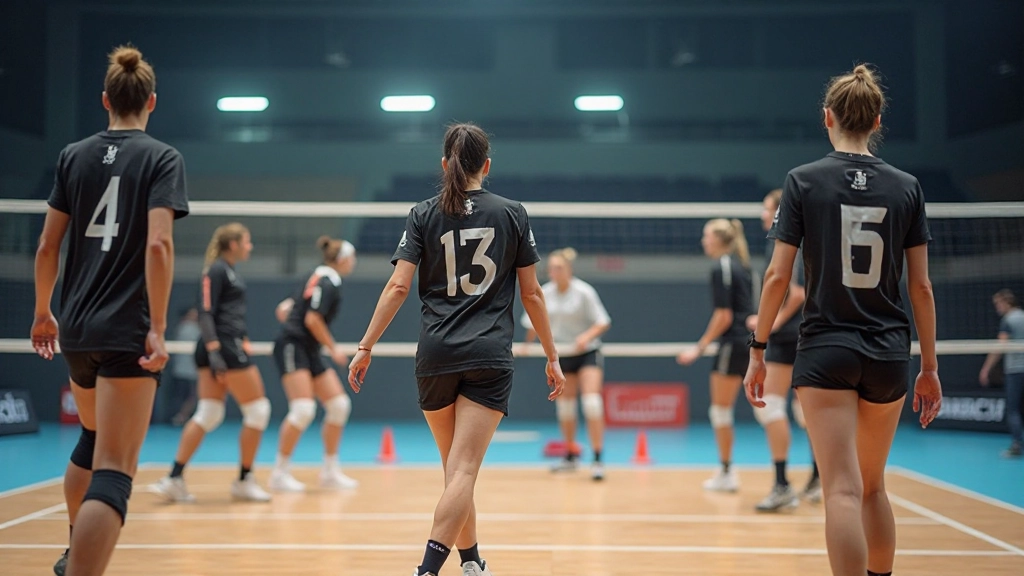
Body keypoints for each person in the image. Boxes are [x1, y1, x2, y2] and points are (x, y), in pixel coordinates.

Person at [744, 64, 942, 576]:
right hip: (889, 351)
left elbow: (776, 277)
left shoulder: (803, 181)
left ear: (826, 117)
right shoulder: (907, 187)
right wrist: (931, 367)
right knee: (874, 487)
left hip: (826, 350)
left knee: (842, 490)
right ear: (877, 120)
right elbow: (920, 287)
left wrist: (758, 350)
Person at [347, 123, 565, 576]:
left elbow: (397, 286)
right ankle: (427, 569)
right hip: (487, 355)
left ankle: (471, 561)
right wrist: (552, 355)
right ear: (486, 165)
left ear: (445, 165)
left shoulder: (423, 213)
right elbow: (532, 295)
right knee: (462, 472)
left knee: (455, 471)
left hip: (435, 355)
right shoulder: (512, 212)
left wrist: (365, 345)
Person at [32, 45, 188, 576]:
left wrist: (41, 312)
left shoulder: (73, 155)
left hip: (75, 326)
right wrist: (160, 330)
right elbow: (159, 246)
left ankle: (74, 547)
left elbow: (47, 246)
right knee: (116, 468)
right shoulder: (161, 157)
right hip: (127, 329)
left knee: (93, 438)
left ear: (106, 100)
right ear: (151, 101)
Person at [151, 224, 272, 503]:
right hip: (222, 346)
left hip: (227, 343)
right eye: (247, 241)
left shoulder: (229, 271)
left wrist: (243, 337)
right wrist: (216, 350)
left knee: (209, 413)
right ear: (233, 244)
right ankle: (244, 480)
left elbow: (230, 313)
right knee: (258, 410)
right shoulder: (215, 270)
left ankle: (174, 478)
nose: (250, 246)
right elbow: (205, 312)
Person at [747, 189, 820, 512]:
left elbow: (795, 293)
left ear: (780, 213)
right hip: (810, 334)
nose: (763, 216)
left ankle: (782, 485)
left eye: (767, 210)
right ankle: (819, 479)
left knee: (768, 406)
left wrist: (770, 324)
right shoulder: (811, 240)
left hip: (789, 337)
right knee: (806, 413)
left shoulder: (782, 242)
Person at [268, 237, 359, 492]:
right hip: (293, 345)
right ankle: (279, 473)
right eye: (351, 259)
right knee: (303, 409)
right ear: (342, 260)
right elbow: (312, 319)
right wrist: (334, 349)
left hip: (307, 348)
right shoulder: (329, 282)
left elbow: (283, 309)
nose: (353, 263)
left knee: (338, 405)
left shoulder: (315, 275)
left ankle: (330, 471)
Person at [677, 218, 754, 493]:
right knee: (767, 407)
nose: (703, 241)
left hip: (732, 344)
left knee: (720, 411)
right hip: (747, 343)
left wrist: (697, 348)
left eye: (706, 236)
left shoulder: (721, 266)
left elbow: (724, 316)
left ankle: (726, 471)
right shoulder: (742, 266)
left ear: (719, 240)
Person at [522, 247, 611, 480]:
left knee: (592, 403)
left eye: (559, 268)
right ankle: (570, 456)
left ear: (569, 269)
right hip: (562, 355)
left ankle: (598, 459)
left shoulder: (584, 292)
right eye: (551, 268)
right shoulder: (546, 292)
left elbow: (603, 322)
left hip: (586, 352)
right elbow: (533, 322)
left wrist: (586, 337)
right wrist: (527, 345)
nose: (554, 272)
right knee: (566, 407)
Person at [980, 289, 1024, 457]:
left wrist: (986, 368)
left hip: (1015, 370)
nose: (997, 308)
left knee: (1012, 409)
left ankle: (1016, 445)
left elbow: (1000, 346)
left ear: (1006, 303)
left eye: (998, 304)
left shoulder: (1008, 320)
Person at [168, 308, 200, 426]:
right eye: (192, 313)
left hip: (188, 370)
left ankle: (181, 416)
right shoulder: (188, 328)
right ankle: (180, 417)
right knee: (188, 395)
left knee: (188, 396)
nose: (195, 315)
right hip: (187, 370)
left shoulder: (183, 327)